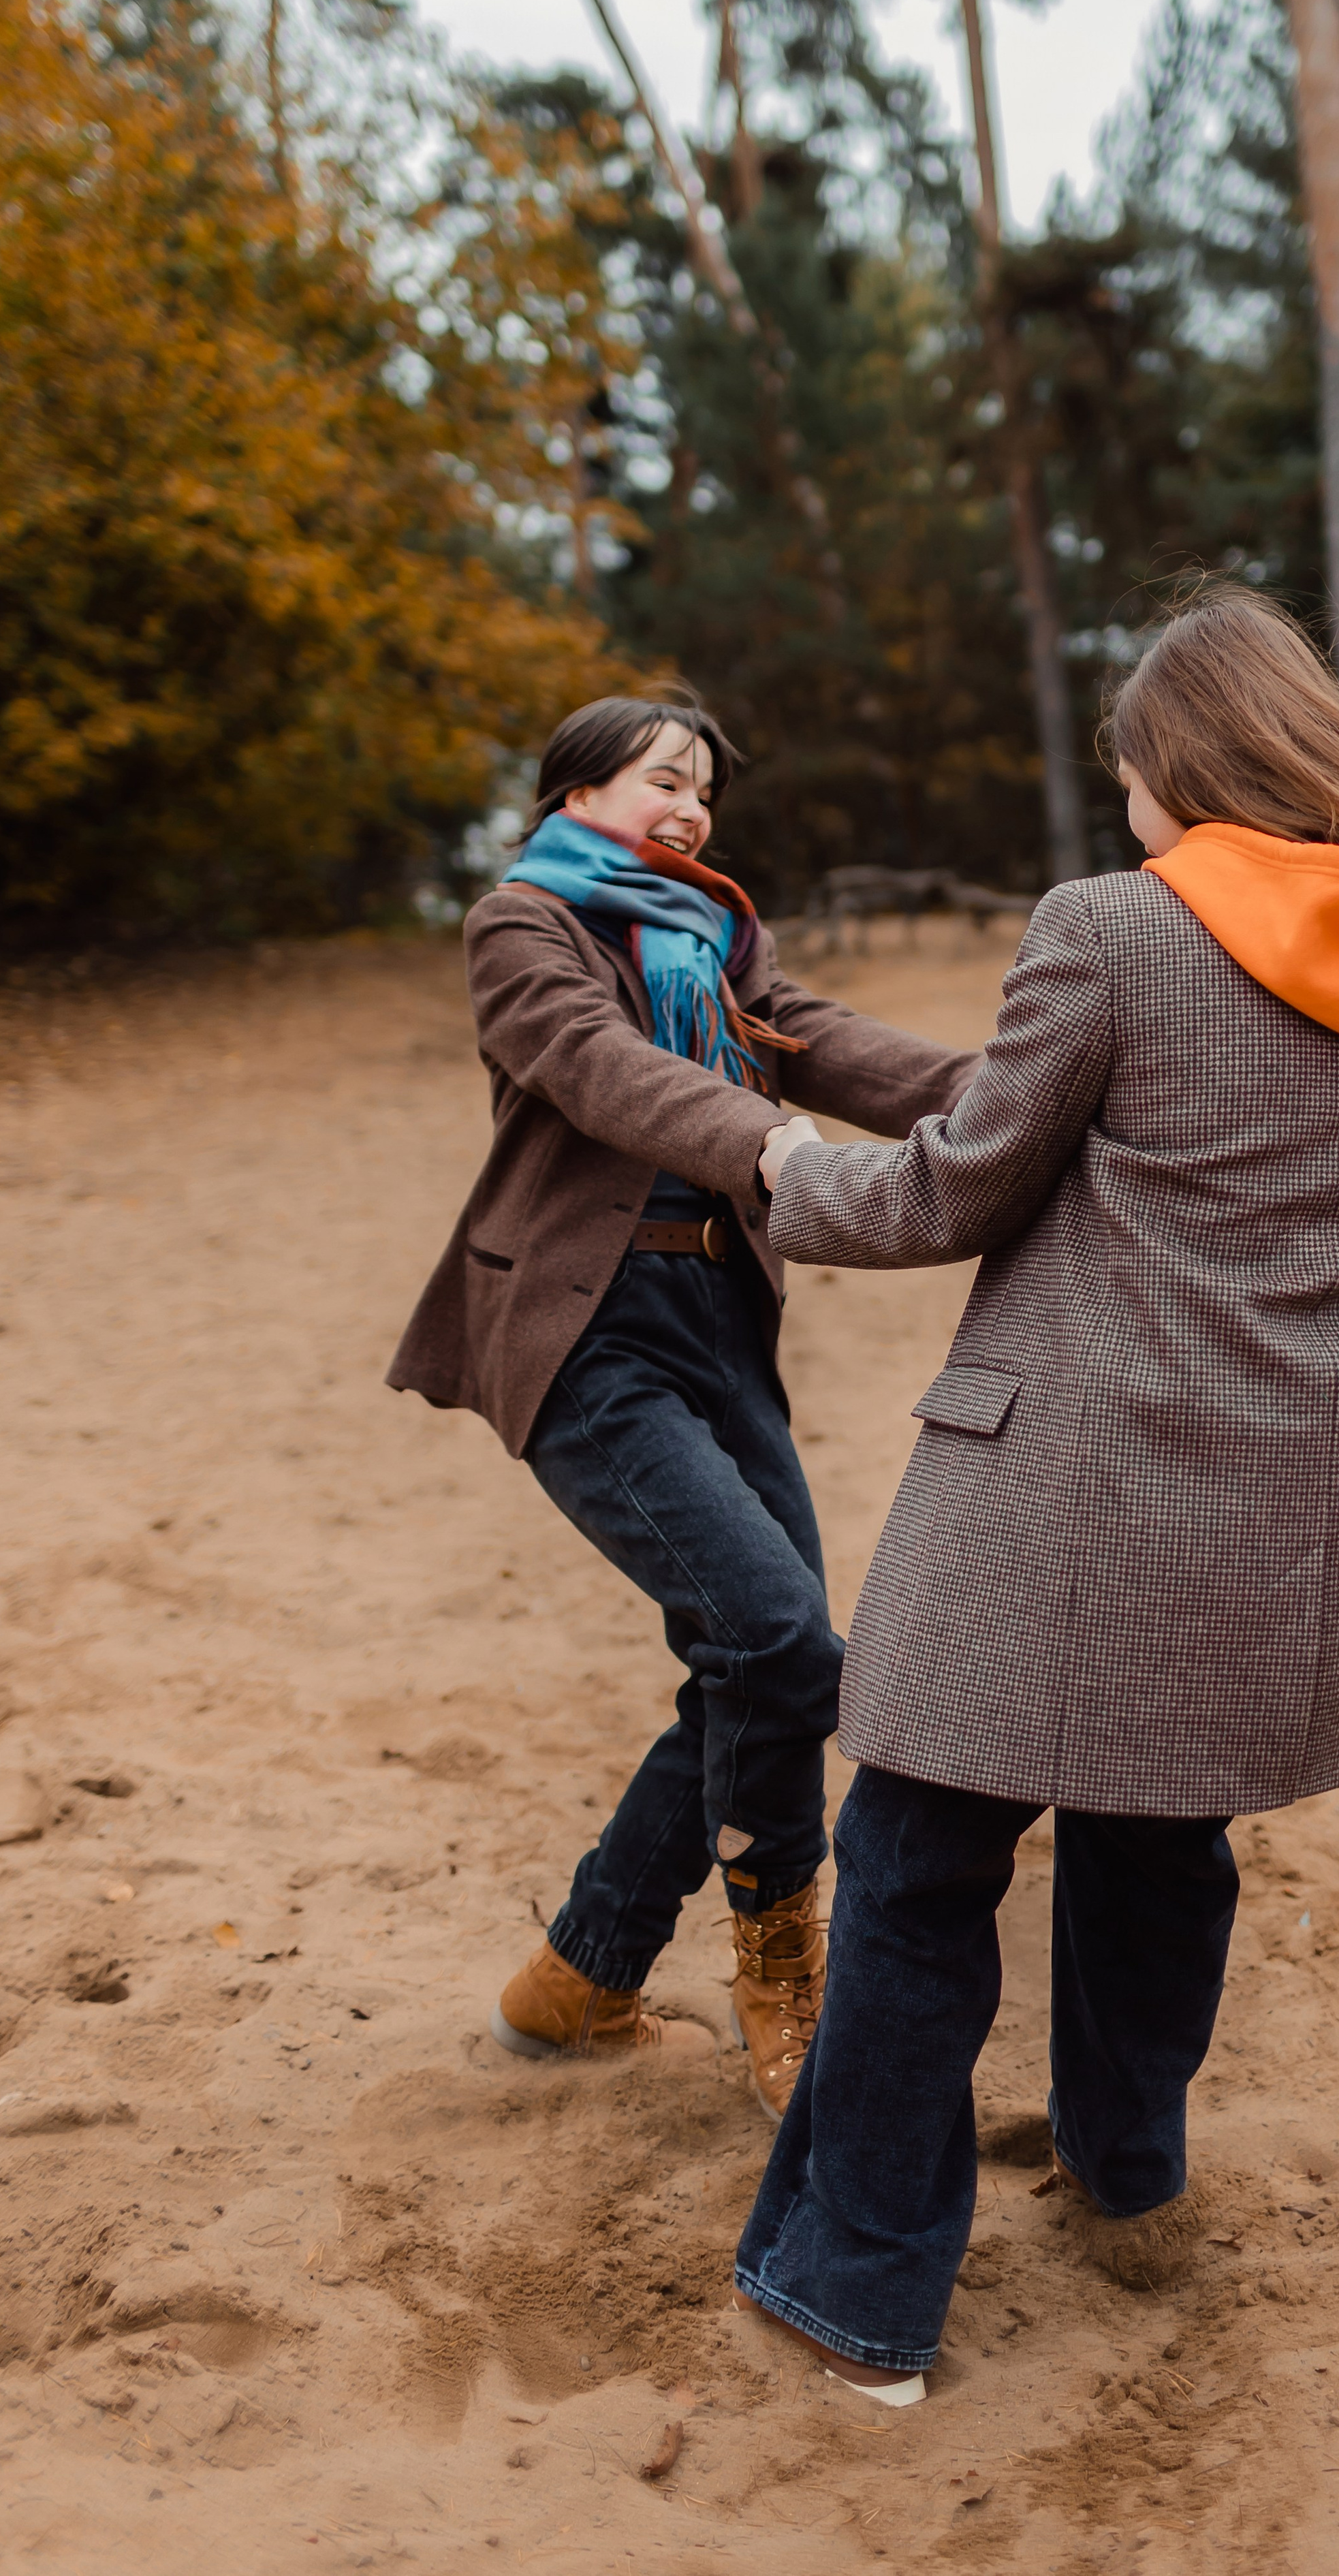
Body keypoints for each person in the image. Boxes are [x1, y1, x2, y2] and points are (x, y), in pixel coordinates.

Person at [731, 584, 1339, 2402]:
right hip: (1288, 1484)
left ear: (1176, 768)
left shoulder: (1111, 928)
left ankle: (865, 2294)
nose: (1117, 787)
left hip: (1077, 1469)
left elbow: (961, 1186)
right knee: (1157, 1823)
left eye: (1125, 757)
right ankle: (1129, 2163)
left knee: (912, 1860)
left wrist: (784, 1162)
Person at [387, 694, 977, 2118]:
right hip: (587, 1332)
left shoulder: (713, 935)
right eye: (665, 778)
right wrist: (768, 1143)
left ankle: (579, 1977)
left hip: (720, 1317)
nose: (694, 807)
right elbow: (598, 1068)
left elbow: (814, 1038)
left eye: (706, 788)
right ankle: (780, 1960)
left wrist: (1000, 1094)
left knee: (754, 1658)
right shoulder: (523, 926)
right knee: (782, 1645)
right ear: (576, 789)